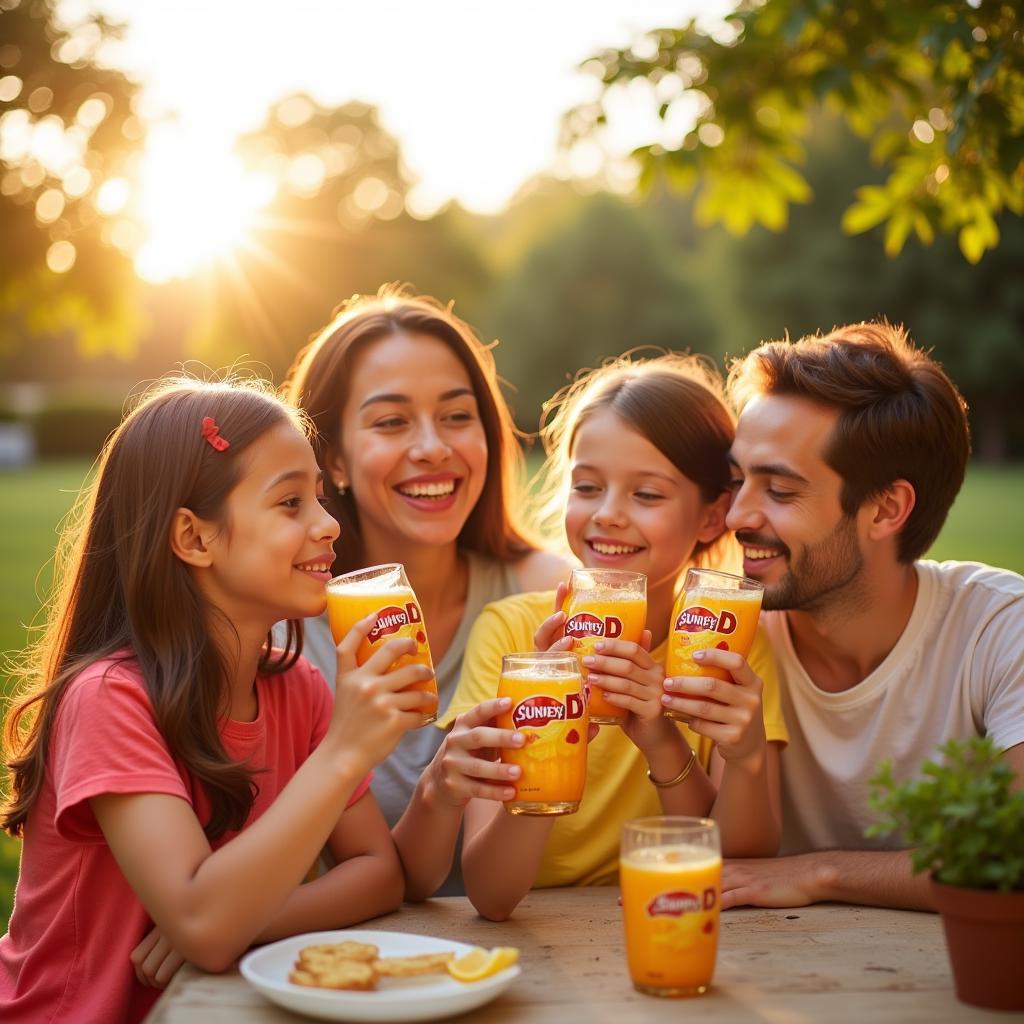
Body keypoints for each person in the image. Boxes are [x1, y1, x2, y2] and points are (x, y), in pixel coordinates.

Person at [0, 378, 433, 1023]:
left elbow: (378, 872)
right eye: (290, 502)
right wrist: (345, 751)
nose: (329, 523)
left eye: (318, 495)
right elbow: (204, 923)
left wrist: (253, 919)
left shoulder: (298, 689)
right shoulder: (110, 700)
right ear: (194, 538)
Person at [399, 353, 789, 917]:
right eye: (587, 487)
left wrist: (684, 742)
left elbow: (737, 870)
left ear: (711, 517)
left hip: (666, 920)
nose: (608, 514)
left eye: (647, 494)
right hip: (543, 941)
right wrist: (547, 731)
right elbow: (491, 894)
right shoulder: (511, 632)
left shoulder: (730, 642)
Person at [720, 321, 1024, 912]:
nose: (735, 515)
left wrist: (823, 873)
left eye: (779, 492)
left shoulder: (999, 629)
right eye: (736, 480)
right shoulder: (724, 636)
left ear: (886, 509)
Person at [282, 288, 568, 894]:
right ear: (332, 460)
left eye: (457, 416)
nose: (434, 447)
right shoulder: (280, 628)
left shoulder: (548, 595)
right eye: (391, 422)